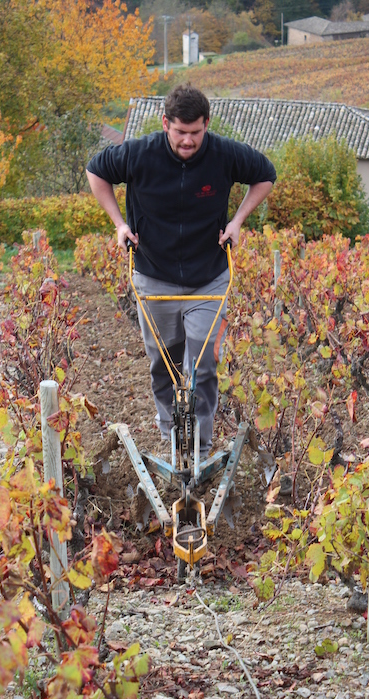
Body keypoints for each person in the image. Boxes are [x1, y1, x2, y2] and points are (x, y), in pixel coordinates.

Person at [86, 83, 276, 457]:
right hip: (153, 277)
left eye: (195, 132)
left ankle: (199, 450)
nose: (188, 140)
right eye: (180, 132)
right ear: (165, 124)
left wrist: (237, 221)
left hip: (209, 278)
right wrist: (119, 224)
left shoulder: (224, 154)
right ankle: (170, 435)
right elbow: (96, 171)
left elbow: (265, 174)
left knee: (204, 365)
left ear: (207, 125)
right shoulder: (139, 153)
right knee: (165, 365)